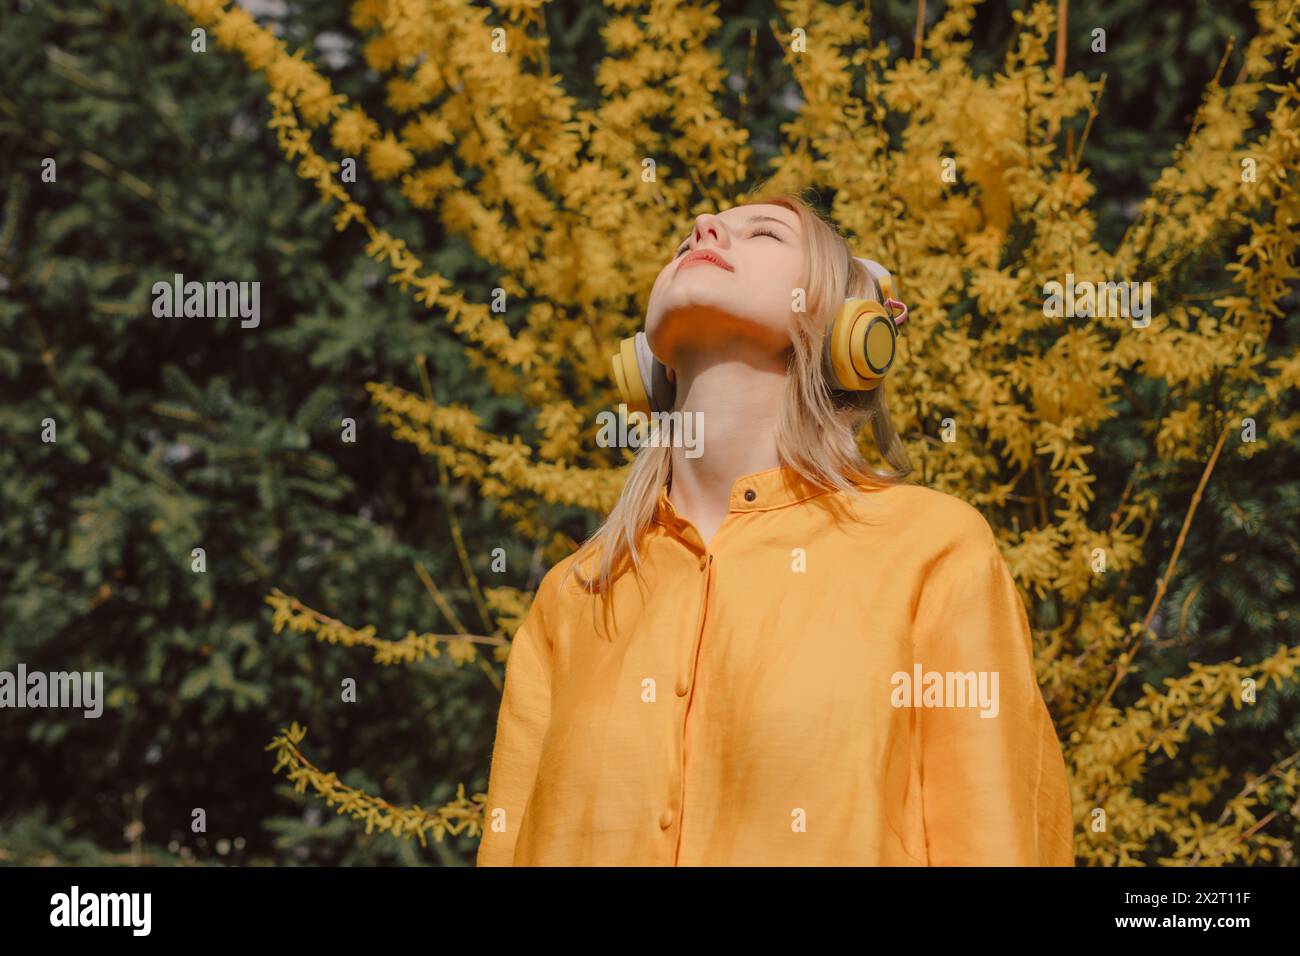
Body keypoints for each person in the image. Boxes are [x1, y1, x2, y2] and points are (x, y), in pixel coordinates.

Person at [476, 189, 1075, 866]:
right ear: (643, 362)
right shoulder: (574, 596)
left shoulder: (933, 549)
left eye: (763, 234)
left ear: (847, 328)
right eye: (690, 238)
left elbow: (995, 835)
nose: (703, 227)